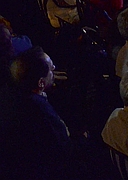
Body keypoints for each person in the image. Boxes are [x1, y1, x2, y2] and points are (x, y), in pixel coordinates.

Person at [0, 47, 77, 179]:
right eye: (51, 70)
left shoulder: (6, 93)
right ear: (41, 83)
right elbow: (64, 148)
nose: (54, 69)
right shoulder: (41, 112)